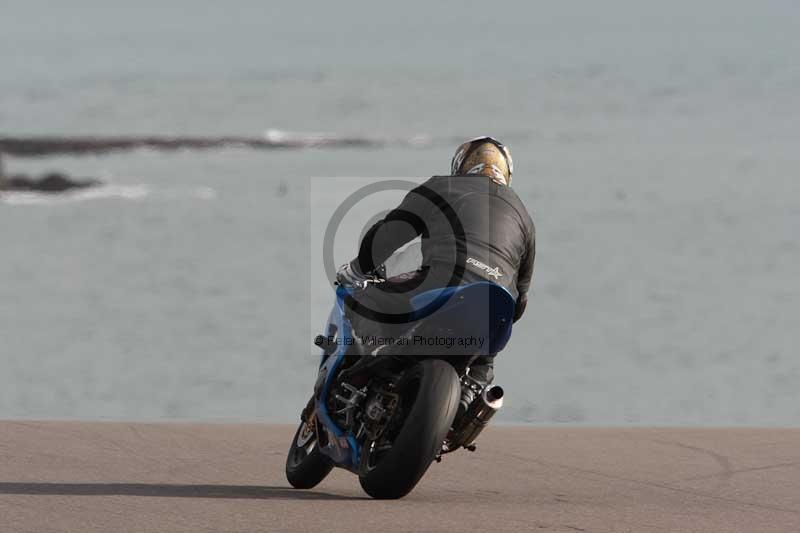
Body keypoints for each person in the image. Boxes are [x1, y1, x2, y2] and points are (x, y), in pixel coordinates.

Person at [336, 136, 535, 412]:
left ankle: (366, 371)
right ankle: (470, 398)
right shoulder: (523, 214)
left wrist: (357, 269)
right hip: (493, 308)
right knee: (484, 361)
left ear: (462, 165)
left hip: (442, 288)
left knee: (361, 300)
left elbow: (390, 235)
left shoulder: (443, 186)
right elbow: (521, 298)